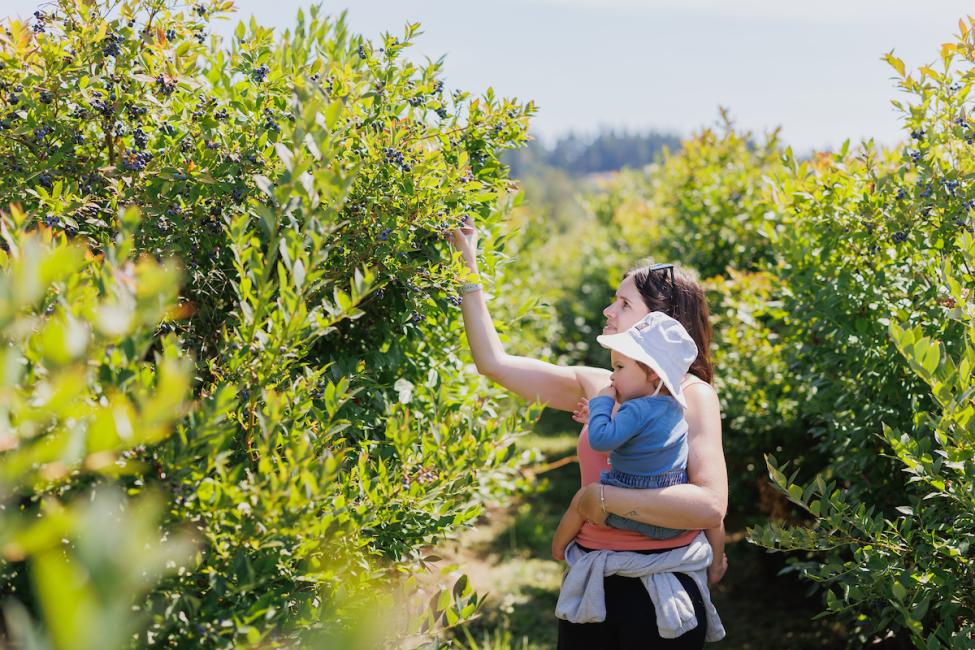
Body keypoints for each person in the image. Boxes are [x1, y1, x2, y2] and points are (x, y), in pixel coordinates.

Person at [449, 214, 727, 649]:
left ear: (661, 323)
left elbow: (710, 506)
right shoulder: (598, 383)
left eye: (624, 304)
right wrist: (467, 266)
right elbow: (494, 364)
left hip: (661, 587)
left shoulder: (693, 396)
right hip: (592, 584)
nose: (608, 310)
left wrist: (598, 500)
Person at [551, 312, 725, 581]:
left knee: (579, 502)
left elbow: (600, 441)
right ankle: (716, 565)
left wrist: (601, 404)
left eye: (619, 368)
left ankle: (559, 549)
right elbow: (638, 438)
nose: (611, 378)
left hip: (630, 507)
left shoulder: (635, 409)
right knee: (715, 518)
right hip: (673, 519)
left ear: (653, 373)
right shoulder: (674, 406)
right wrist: (600, 417)